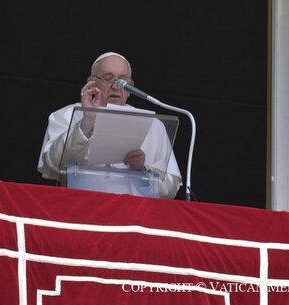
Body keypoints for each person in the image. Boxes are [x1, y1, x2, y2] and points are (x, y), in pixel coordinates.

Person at [37, 52, 182, 199]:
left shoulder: (154, 125)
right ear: (91, 82)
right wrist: (87, 121)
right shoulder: (67, 115)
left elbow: (171, 188)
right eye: (108, 78)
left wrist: (142, 170)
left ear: (131, 88)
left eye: (123, 81)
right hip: (82, 209)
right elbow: (54, 164)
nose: (116, 86)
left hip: (134, 216)